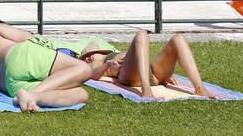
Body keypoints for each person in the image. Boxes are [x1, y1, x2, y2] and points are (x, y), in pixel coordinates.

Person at [0, 18, 93, 112]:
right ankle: (33, 93)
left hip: (11, 85)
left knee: (81, 94)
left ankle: (34, 97)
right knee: (84, 68)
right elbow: (28, 37)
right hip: (19, 55)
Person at [83, 31, 214, 99]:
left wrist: (167, 73)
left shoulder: (106, 54)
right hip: (130, 75)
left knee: (178, 38)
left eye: (92, 54)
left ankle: (200, 88)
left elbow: (140, 56)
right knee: (141, 34)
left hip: (153, 72)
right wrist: (108, 64)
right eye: (87, 56)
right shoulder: (92, 65)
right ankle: (146, 89)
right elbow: (92, 76)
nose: (90, 57)